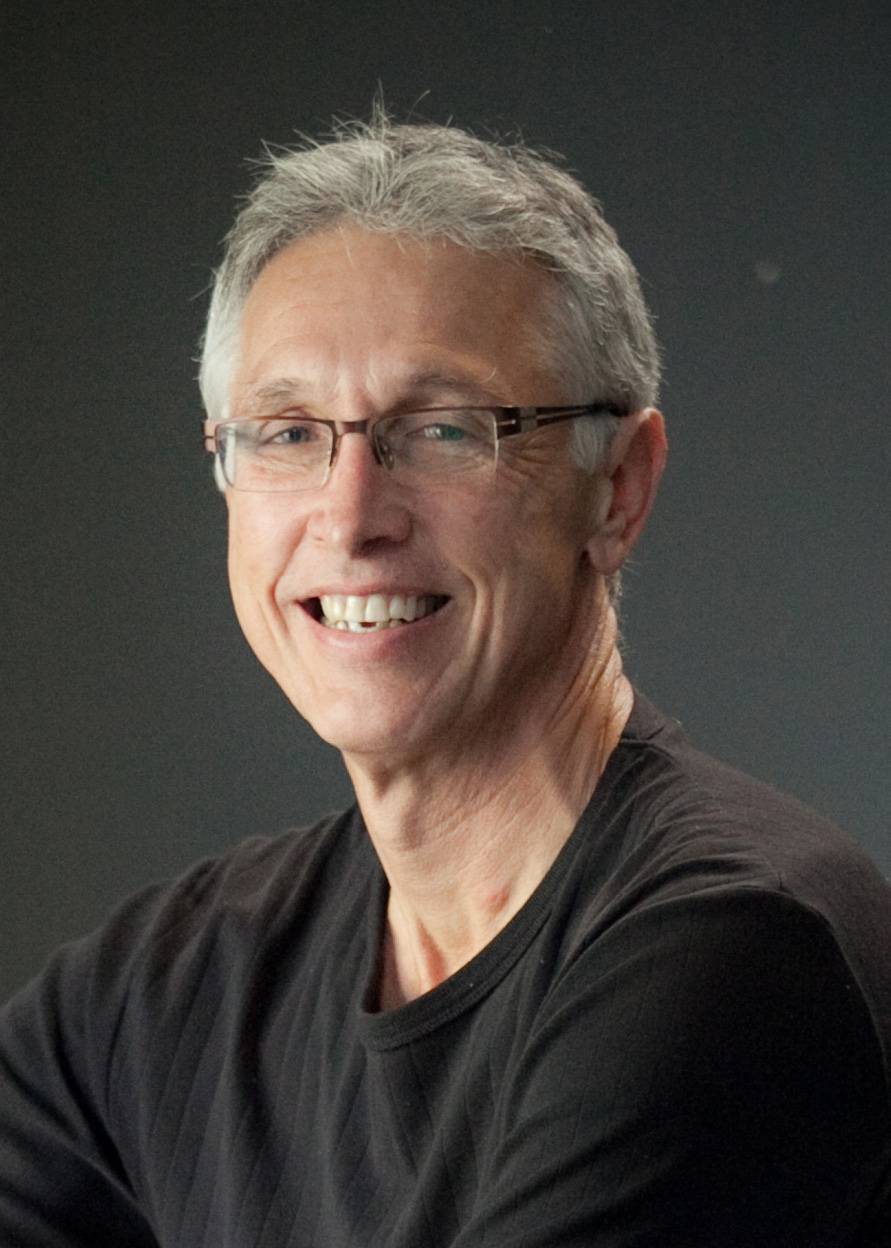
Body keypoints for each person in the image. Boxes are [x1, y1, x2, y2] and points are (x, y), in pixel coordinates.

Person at [2, 111, 890, 1248]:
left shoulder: (736, 954)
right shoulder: (175, 982)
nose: (350, 517)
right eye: (287, 433)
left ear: (617, 489)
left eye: (444, 431)